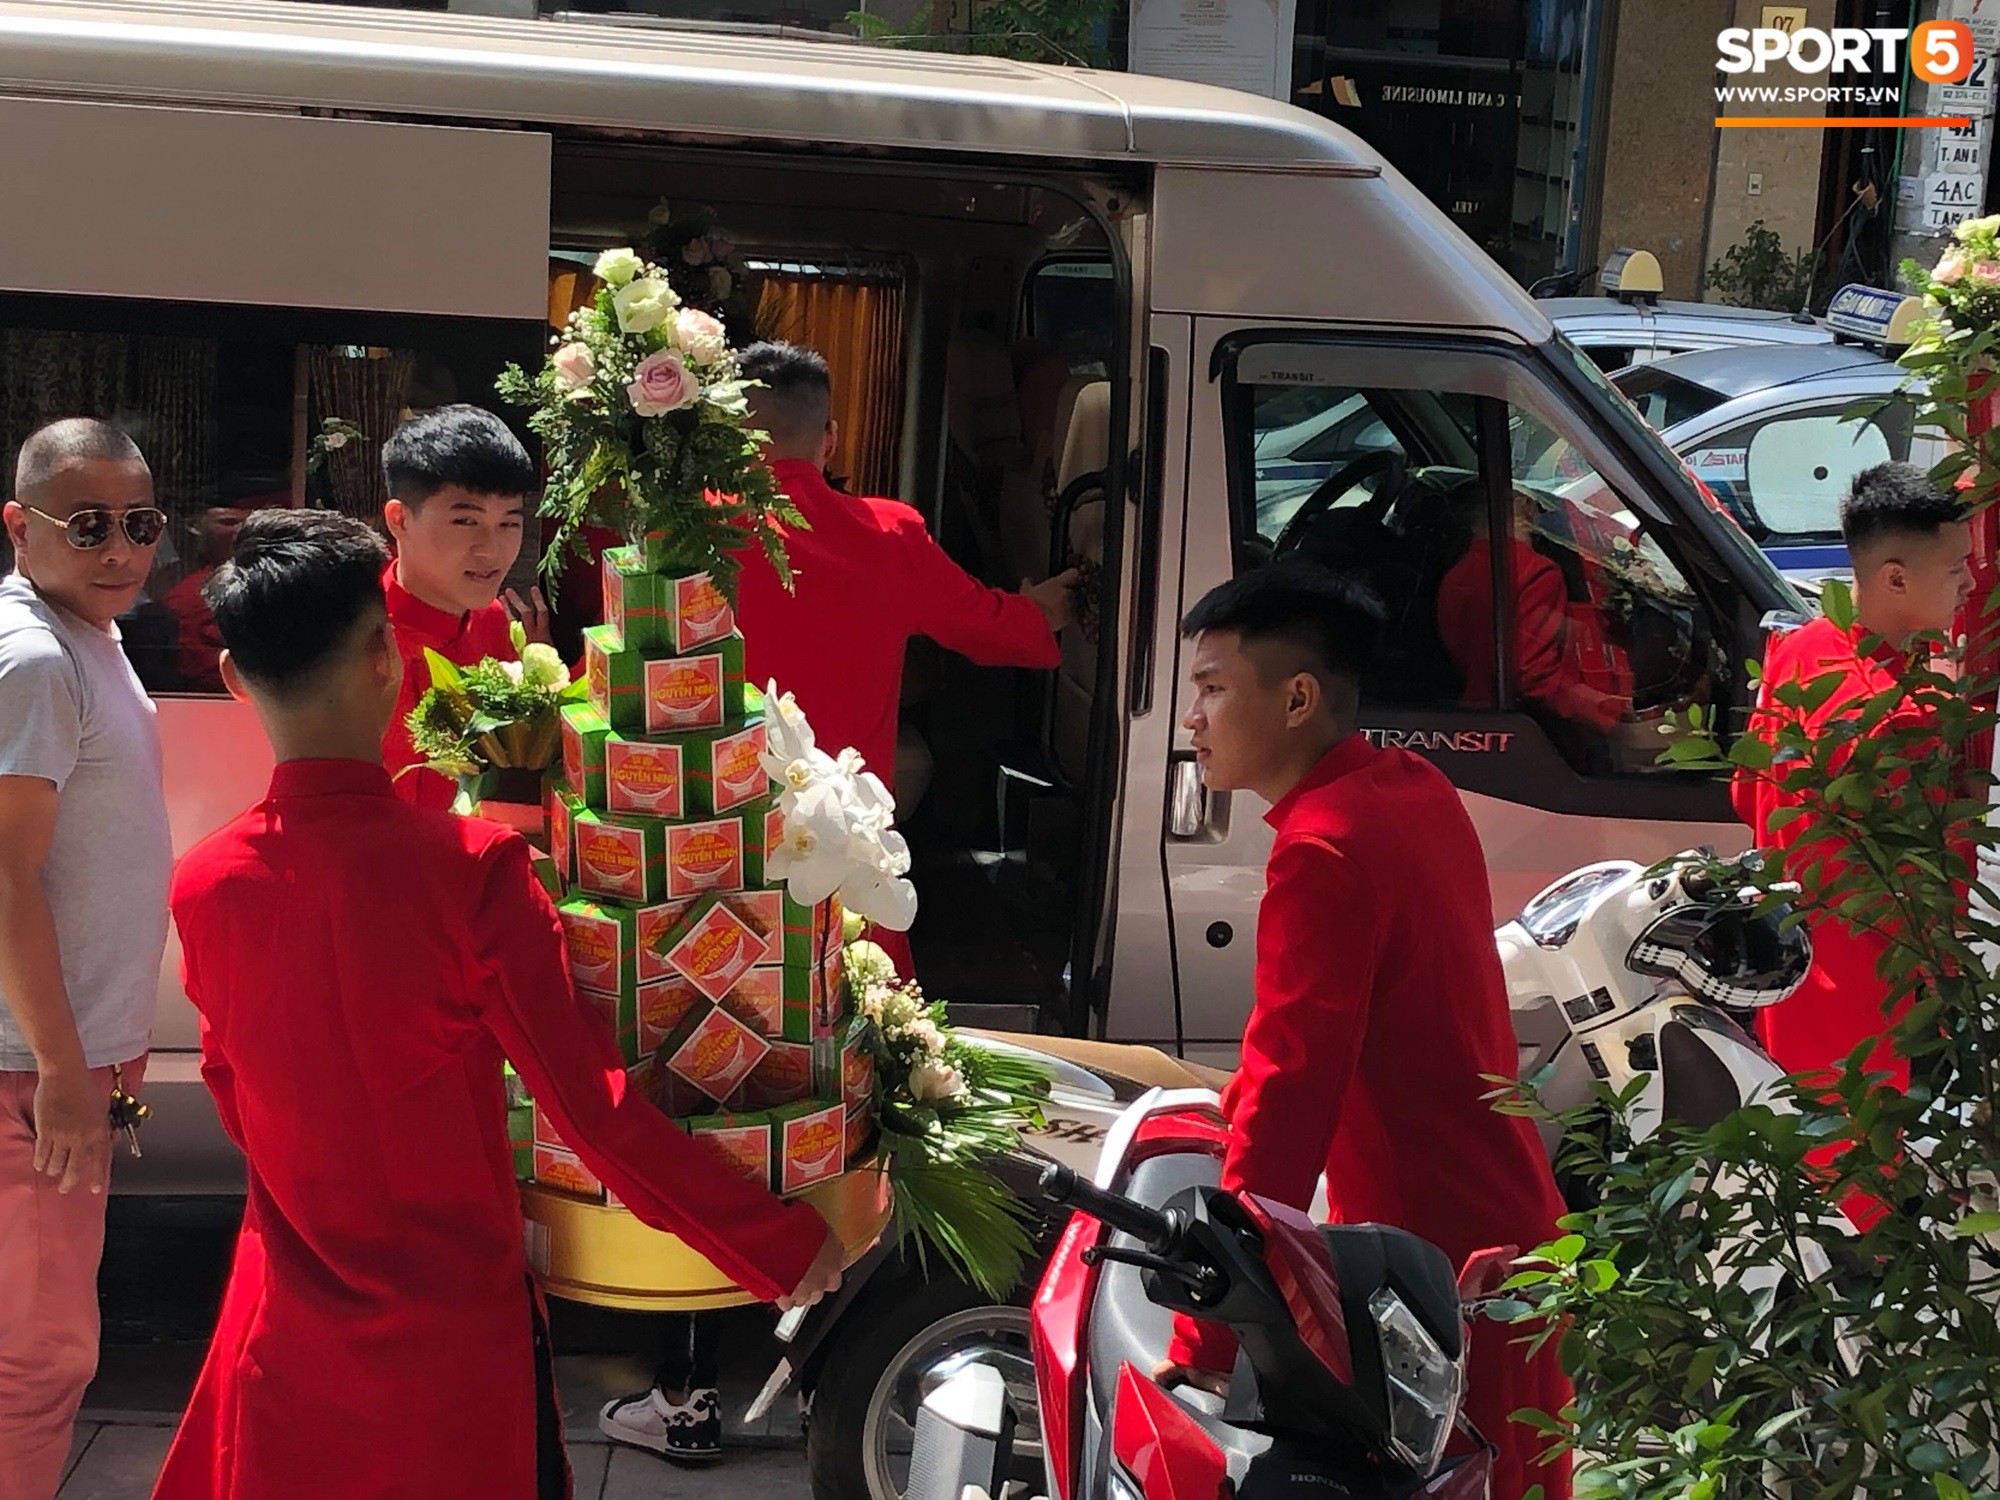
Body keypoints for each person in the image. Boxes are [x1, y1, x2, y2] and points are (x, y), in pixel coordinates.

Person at [153, 511, 844, 1500]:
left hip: (286, 1326)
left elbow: (237, 1094)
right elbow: (593, 1111)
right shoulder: (468, 872)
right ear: (387, 659)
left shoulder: (205, 882)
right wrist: (778, 1245)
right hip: (447, 1343)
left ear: (233, 682)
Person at [595, 343, 1079, 1462]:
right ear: (826, 436)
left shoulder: (671, 534)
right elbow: (1006, 634)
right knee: (849, 1120)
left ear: (729, 430)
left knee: (710, 1121)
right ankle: (844, 1362)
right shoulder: (886, 534)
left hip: (695, 875)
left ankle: (681, 1394)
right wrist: (1054, 595)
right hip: (839, 881)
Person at [1160, 561, 1571, 1500]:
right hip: (1503, 1228)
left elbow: (1289, 1097)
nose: (1194, 718)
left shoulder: (1323, 850)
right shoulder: (1411, 787)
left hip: (1437, 1272)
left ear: (1298, 697)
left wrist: (1209, 1327)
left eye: (1214, 689)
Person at [0, 418, 173, 1500]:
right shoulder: (31, 660)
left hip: (62, 1065)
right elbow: (6, 880)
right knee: (42, 1358)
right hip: (29, 1072)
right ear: (20, 525)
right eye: (91, 526)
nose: (121, 551)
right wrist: (66, 1075)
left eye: (142, 525)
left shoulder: (85, 636)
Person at [1733, 463, 1973, 1188]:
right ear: (1895, 580)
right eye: (1957, 568)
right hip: (1872, 996)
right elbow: (1936, 866)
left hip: (1807, 972)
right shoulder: (1894, 723)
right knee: (1863, 1203)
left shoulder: (1804, 650)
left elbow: (1748, 792)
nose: (1968, 584)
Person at [378, 404, 551, 808]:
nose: (491, 549)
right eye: (466, 522)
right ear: (399, 519)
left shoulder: (495, 625)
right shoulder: (354, 646)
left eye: (509, 523)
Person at [1435, 477, 1631, 736]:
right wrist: (1609, 712)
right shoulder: (1535, 571)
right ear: (1523, 504)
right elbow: (1533, 676)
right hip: (1532, 730)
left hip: (1476, 720)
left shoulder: (1455, 575)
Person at [163, 490, 283, 693]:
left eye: (248, 522)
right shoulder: (183, 598)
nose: (240, 531)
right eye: (228, 522)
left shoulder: (280, 584)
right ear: (197, 528)